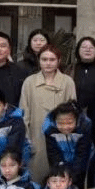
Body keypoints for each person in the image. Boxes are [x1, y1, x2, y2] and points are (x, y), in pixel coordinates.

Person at [20, 45, 76, 181]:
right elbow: (23, 114)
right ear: (39, 60)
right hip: (36, 137)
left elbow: (73, 112)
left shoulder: (67, 82)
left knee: (59, 178)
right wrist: (26, 140)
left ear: (58, 61)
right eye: (44, 59)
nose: (48, 63)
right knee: (36, 178)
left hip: (61, 138)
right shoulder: (30, 82)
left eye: (52, 59)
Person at [44, 101, 93, 189]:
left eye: (69, 123)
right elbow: (53, 156)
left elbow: (82, 155)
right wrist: (63, 177)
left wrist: (72, 178)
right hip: (61, 166)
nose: (65, 127)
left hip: (80, 167)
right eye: (61, 123)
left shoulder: (84, 128)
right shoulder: (50, 131)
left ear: (76, 120)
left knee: (78, 188)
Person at [71, 37, 95, 118]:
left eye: (91, 47)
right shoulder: (70, 69)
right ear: (78, 50)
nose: (87, 50)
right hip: (73, 114)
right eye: (84, 47)